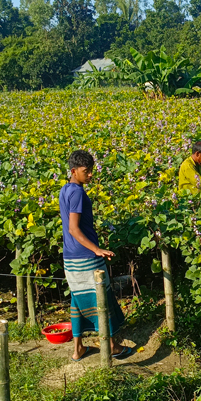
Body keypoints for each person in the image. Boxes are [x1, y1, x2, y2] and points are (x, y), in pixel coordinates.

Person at [60, 150, 133, 361]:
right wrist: (96, 249)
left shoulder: (65, 189)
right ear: (74, 171)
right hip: (85, 256)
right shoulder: (78, 193)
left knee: (77, 300)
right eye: (86, 171)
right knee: (102, 297)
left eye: (91, 170)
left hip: (70, 256)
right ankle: (111, 346)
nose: (91, 175)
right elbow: (74, 228)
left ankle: (78, 349)